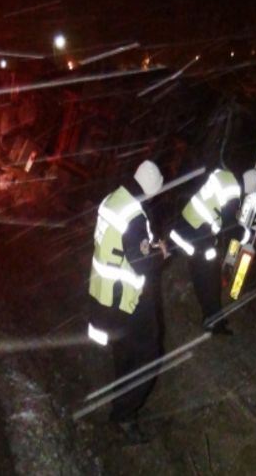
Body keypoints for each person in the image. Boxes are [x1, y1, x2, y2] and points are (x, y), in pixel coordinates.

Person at [87, 159, 168, 444]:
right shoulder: (135, 215)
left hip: (104, 294)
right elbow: (141, 261)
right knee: (148, 357)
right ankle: (123, 415)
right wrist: (161, 253)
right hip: (126, 300)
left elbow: (118, 247)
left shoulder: (114, 199)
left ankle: (121, 399)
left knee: (124, 354)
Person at [168, 167, 256, 335]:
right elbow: (229, 226)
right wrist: (247, 235)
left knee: (205, 274)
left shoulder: (224, 176)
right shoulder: (233, 192)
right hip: (196, 233)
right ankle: (213, 321)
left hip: (188, 226)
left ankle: (213, 317)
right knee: (209, 278)